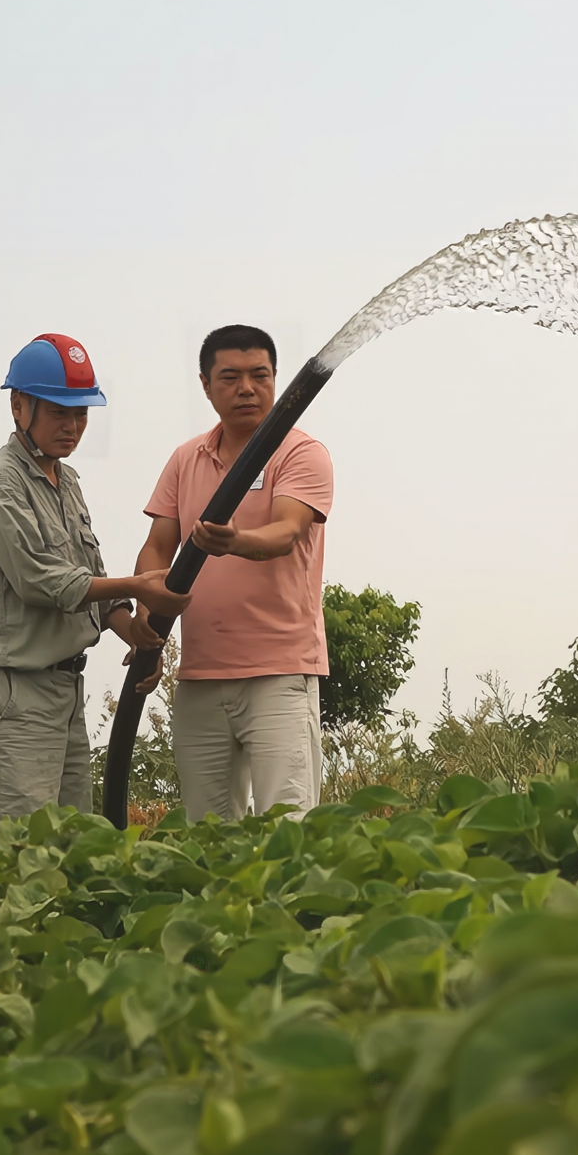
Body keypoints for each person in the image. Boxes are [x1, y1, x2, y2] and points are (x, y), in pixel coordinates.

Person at [0, 333, 189, 844]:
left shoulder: (68, 480)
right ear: (20, 406)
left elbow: (90, 570)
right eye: (60, 411)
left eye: (81, 413)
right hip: (11, 694)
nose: (73, 426)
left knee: (70, 849)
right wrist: (141, 584)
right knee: (13, 855)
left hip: (64, 690)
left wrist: (131, 626)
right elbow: (42, 580)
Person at [131, 324, 333, 822]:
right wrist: (147, 629)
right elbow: (157, 548)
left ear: (277, 379)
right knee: (208, 832)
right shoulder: (185, 459)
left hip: (280, 676)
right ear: (205, 385)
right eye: (231, 377)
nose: (247, 388)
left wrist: (234, 542)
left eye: (259, 375)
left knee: (289, 828)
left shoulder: (300, 451)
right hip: (201, 678)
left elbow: (287, 531)